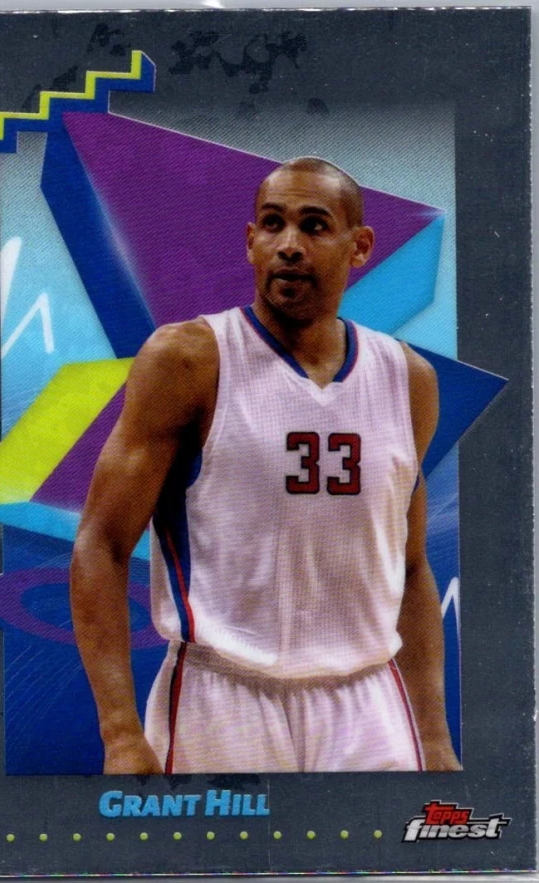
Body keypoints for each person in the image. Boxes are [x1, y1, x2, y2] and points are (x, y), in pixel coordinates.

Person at [71, 157, 460, 774]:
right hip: (221, 696)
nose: (289, 245)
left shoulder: (408, 379)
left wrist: (433, 735)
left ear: (359, 246)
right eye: (273, 224)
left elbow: (410, 568)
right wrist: (120, 734)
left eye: (314, 226)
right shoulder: (189, 359)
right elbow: (102, 544)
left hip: (368, 701)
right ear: (251, 242)